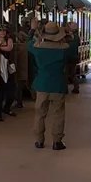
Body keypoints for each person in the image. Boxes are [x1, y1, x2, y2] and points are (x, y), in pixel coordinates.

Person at [28, 18, 77, 150]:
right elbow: (74, 46)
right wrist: (72, 32)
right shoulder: (65, 49)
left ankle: (39, 141)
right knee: (58, 113)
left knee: (40, 114)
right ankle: (57, 141)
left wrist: (33, 29)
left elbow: (28, 43)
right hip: (58, 84)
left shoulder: (37, 48)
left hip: (42, 84)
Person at [0, 25, 16, 122]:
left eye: (4, 31)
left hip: (8, 68)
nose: (2, 32)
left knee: (11, 92)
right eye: (0, 31)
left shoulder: (9, 40)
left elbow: (9, 48)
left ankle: (7, 108)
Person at [66, 22, 82, 94]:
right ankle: (76, 88)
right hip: (74, 57)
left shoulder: (70, 36)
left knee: (65, 73)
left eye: (69, 25)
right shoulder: (76, 36)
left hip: (68, 57)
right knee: (72, 74)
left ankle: (65, 89)